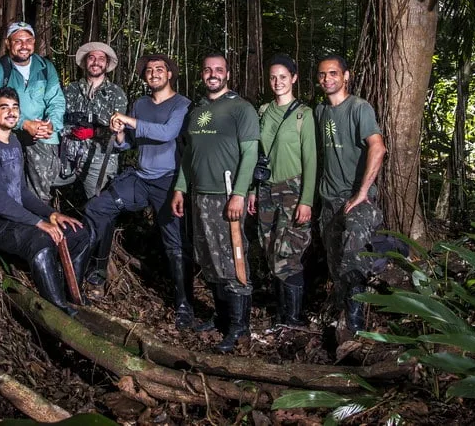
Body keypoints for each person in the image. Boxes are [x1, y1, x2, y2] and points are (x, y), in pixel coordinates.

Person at [82, 54, 193, 328]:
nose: (153, 73)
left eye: (159, 69)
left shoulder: (183, 105)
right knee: (97, 208)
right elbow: (129, 143)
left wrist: (129, 121)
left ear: (170, 74)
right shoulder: (140, 104)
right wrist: (119, 132)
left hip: (169, 182)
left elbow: (167, 133)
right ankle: (96, 272)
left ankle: (183, 305)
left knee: (175, 242)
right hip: (140, 178)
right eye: (149, 70)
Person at [0, 87, 91, 315]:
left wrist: (51, 214)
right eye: (4, 107)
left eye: (15, 108)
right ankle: (59, 310)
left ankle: (72, 296)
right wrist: (39, 223)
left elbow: (21, 191)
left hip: (15, 216)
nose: (11, 112)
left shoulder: (13, 141)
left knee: (79, 232)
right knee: (40, 241)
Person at [172, 53, 260, 353]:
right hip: (200, 195)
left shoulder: (240, 108)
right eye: (208, 70)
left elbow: (250, 154)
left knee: (232, 257)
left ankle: (239, 325)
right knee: (208, 257)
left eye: (218, 70)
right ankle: (221, 317)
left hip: (226, 196)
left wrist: (239, 193)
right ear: (202, 75)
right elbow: (188, 154)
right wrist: (180, 189)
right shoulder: (197, 111)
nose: (213, 74)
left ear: (227, 74)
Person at [314, 55, 386, 334]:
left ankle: (355, 321)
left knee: (354, 252)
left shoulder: (359, 108)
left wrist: (362, 192)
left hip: (356, 199)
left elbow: (377, 148)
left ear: (346, 76)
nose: (327, 78)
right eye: (322, 74)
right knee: (335, 263)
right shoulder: (320, 111)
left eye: (333, 73)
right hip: (328, 200)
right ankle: (342, 315)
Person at [246, 55, 317, 328]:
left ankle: (294, 319)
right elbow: (256, 155)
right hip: (265, 189)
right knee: (270, 250)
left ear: (294, 78)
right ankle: (280, 316)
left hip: (293, 189)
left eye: (283, 77)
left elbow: (311, 160)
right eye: (273, 77)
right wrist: (253, 190)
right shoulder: (263, 111)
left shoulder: (304, 114)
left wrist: (306, 200)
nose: (277, 82)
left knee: (289, 252)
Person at [0, 21, 66, 204]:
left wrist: (51, 124)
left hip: (42, 132)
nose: (24, 45)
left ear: (34, 43)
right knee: (9, 183)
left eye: (28, 40)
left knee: (41, 189)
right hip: (10, 131)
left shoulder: (45, 67)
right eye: (18, 40)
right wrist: (23, 123)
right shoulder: (0, 69)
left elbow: (56, 100)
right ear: (8, 43)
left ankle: (40, 217)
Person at [61, 41, 127, 200]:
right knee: (39, 180)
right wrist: (70, 131)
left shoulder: (115, 94)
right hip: (68, 157)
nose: (96, 62)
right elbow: (58, 121)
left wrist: (95, 132)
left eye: (101, 59)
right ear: (85, 62)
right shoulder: (70, 90)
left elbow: (118, 134)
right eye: (91, 58)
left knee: (97, 208)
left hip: (99, 160)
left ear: (106, 64)